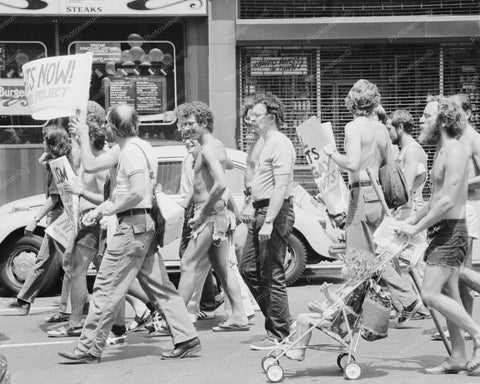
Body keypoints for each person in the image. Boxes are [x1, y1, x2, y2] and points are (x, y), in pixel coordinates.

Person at [58, 104, 199, 363]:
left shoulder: (131, 152)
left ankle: (89, 347)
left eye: (106, 126)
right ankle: (186, 337)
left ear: (113, 128)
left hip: (132, 228)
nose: (104, 130)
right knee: (161, 288)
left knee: (105, 287)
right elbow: (91, 165)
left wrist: (107, 208)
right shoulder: (134, 147)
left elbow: (135, 192)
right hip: (140, 227)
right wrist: (83, 133)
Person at [324, 79, 423, 326]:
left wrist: (332, 154)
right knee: (376, 252)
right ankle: (395, 301)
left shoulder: (353, 127)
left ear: (351, 101)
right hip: (379, 196)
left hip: (361, 193)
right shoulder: (380, 129)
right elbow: (389, 166)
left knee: (359, 257)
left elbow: (354, 163)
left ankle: (401, 299)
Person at [397, 96, 480, 374]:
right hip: (442, 230)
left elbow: (447, 201)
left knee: (430, 294)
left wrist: (415, 229)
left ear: (443, 121)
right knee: (449, 293)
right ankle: (458, 356)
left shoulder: (455, 151)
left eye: (426, 116)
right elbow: (434, 201)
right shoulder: (442, 151)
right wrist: (410, 221)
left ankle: (478, 335)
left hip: (451, 232)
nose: (420, 120)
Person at [175, 101, 248, 332]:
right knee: (222, 268)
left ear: (204, 123)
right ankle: (238, 316)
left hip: (209, 215)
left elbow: (220, 184)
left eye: (190, 124)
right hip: (215, 214)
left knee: (187, 263)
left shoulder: (208, 148)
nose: (186, 128)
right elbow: (225, 166)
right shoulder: (213, 146)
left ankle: (176, 321)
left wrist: (201, 215)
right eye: (183, 124)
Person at [239, 92, 296, 350]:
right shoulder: (265, 143)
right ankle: (281, 321)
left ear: (271, 117)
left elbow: (281, 185)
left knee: (272, 273)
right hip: (260, 211)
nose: (252, 120)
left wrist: (270, 220)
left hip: (274, 212)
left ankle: (279, 332)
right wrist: (251, 203)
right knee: (248, 269)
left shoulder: (280, 143)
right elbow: (261, 184)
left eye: (257, 116)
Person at [47, 101, 108, 337]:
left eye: (76, 119)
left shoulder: (100, 158)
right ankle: (146, 308)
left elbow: (107, 196)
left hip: (94, 221)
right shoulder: (85, 154)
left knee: (78, 269)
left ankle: (75, 322)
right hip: (84, 220)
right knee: (101, 272)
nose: (71, 124)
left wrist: (81, 192)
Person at [4, 125, 70, 315]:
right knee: (46, 260)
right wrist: (49, 151)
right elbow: (43, 160)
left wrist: (35, 220)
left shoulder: (57, 167)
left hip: (58, 218)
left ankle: (77, 305)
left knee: (69, 264)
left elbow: (54, 199)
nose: (41, 143)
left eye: (44, 140)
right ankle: (25, 300)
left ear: (52, 144)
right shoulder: (57, 162)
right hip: (59, 218)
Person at [386, 109, 431, 321]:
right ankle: (411, 302)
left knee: (415, 259)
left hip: (411, 211)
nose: (388, 134)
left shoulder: (412, 150)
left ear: (400, 128)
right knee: (395, 255)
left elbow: (407, 186)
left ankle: (425, 302)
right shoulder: (405, 150)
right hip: (405, 211)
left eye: (390, 129)